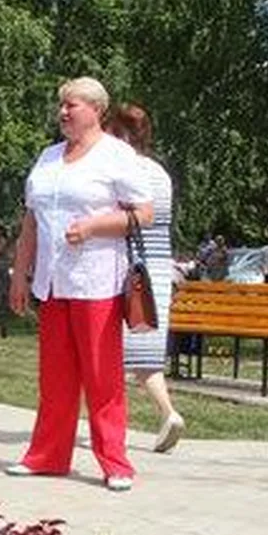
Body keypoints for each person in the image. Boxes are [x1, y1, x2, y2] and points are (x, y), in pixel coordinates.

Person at [7, 76, 159, 490]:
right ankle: (46, 456)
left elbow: (143, 213)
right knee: (54, 376)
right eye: (61, 105)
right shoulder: (49, 157)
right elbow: (31, 220)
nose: (63, 112)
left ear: (96, 110)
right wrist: (21, 274)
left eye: (71, 105)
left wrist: (95, 225)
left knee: (101, 374)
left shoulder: (116, 155)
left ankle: (115, 462)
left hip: (96, 282)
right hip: (53, 281)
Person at [105, 102, 184, 453]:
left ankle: (108, 425)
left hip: (126, 271)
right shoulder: (160, 173)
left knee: (109, 352)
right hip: (157, 271)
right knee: (146, 353)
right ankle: (167, 412)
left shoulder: (121, 170)